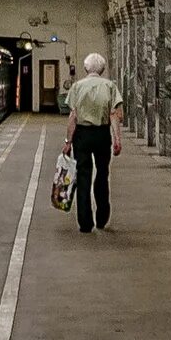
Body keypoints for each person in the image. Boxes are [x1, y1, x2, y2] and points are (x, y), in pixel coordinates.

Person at [64, 53, 121, 235]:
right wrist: (117, 140)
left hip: (82, 134)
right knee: (102, 174)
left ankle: (85, 222)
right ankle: (102, 216)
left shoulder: (77, 87)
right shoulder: (110, 86)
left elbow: (73, 116)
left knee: (83, 176)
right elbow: (114, 115)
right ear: (102, 69)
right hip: (102, 134)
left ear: (86, 68)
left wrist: (68, 141)